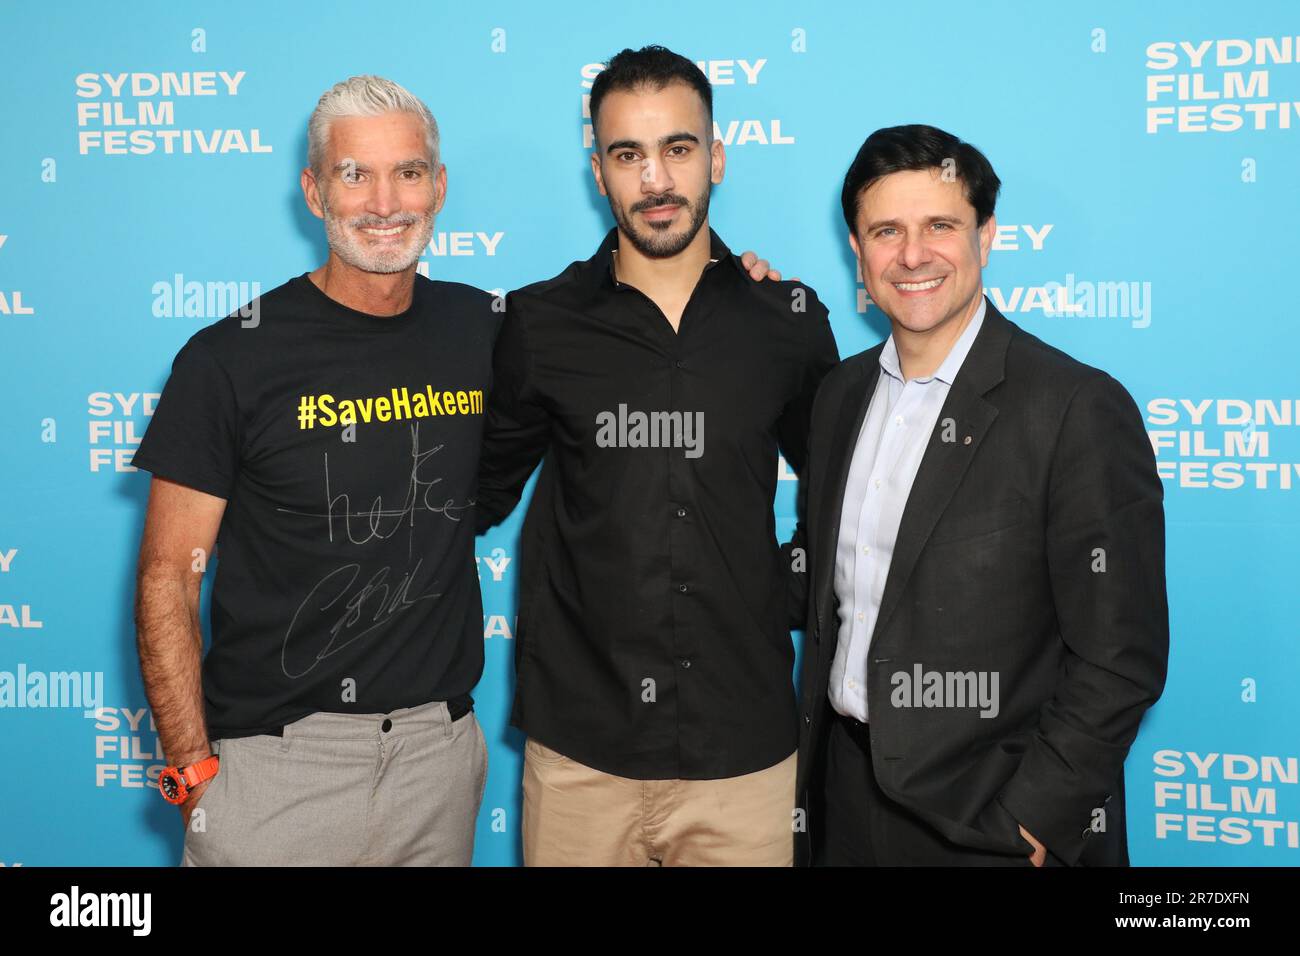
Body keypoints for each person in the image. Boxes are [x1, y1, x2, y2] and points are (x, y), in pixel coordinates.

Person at [475, 45, 838, 867]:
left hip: (744, 753)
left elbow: (845, 488)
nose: (656, 179)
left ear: (715, 156)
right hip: (580, 760)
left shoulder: (786, 319)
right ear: (598, 171)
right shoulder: (539, 325)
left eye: (678, 149)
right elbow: (472, 494)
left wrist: (786, 585)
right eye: (627, 154)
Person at [132, 75, 494, 866]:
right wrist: (194, 772)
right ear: (314, 191)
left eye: (407, 171)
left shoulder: (487, 329)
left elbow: (614, 328)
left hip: (437, 762)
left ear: (438, 186)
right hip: (276, 768)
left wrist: (729, 278)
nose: (383, 202)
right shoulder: (229, 359)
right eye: (353, 174)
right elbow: (167, 576)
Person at [793, 124, 1168, 867]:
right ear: (857, 252)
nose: (913, 255)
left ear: (987, 235)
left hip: (987, 819)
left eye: (941, 226)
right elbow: (831, 583)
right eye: (886, 231)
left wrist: (1032, 822)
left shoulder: (1074, 407)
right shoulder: (839, 396)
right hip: (843, 796)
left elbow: (1121, 652)